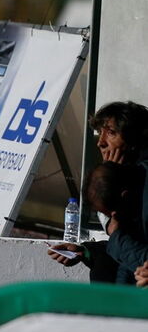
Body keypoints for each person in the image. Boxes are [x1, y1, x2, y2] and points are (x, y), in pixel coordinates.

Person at [47, 101, 148, 282]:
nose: (101, 142)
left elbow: (137, 254)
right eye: (99, 133)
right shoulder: (126, 182)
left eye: (111, 133)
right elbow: (124, 245)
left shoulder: (142, 184)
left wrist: (112, 180)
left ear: (134, 140)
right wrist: (86, 252)